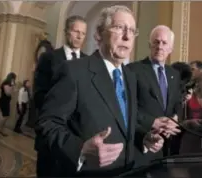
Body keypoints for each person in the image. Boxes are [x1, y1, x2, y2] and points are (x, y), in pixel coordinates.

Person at [35, 5, 164, 177]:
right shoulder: (74, 71)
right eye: (119, 28)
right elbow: (48, 123)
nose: (127, 37)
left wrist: (143, 138)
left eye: (132, 31)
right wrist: (80, 150)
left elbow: (123, 122)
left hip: (127, 171)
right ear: (98, 34)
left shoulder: (130, 77)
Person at [33, 15, 88, 177]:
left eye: (83, 33)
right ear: (66, 32)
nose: (79, 36)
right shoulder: (48, 58)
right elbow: (39, 94)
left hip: (78, 138)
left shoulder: (88, 61)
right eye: (76, 31)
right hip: (52, 136)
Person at [127, 25, 182, 166]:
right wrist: (152, 122)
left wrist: (174, 119)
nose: (159, 46)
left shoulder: (174, 75)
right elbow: (126, 107)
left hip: (166, 148)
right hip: (140, 143)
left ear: (171, 49)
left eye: (164, 43)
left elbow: (177, 104)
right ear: (149, 45)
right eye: (156, 42)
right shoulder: (133, 70)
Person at [0, 72, 17, 137]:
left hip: (6, 101)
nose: (14, 80)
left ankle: (0, 130)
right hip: (3, 101)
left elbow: (15, 91)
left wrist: (13, 86)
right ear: (11, 78)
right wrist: (12, 86)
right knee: (3, 117)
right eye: (14, 78)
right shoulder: (6, 83)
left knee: (5, 116)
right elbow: (8, 93)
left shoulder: (9, 84)